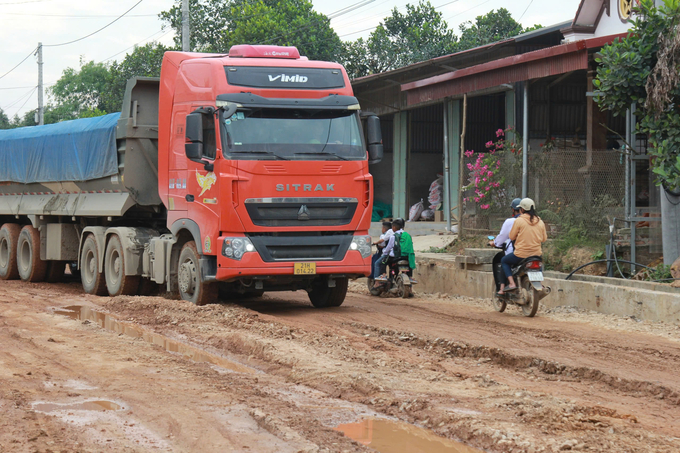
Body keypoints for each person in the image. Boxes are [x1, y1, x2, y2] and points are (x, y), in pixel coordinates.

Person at [499, 198, 547, 295]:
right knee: (538, 262)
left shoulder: (519, 221)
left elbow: (511, 236)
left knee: (504, 260)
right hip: (536, 254)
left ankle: (512, 283)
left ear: (522, 209)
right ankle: (540, 284)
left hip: (520, 255)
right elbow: (544, 239)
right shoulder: (540, 222)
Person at [490, 198, 521, 293]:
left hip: (518, 252)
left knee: (504, 260)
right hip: (534, 252)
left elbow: (503, 237)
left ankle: (504, 287)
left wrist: (495, 243)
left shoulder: (511, 221)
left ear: (513, 209)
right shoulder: (535, 221)